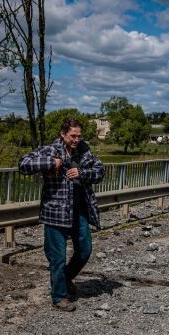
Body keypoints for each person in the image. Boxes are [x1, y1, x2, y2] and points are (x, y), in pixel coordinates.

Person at [19, 119, 105, 311]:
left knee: (85, 250)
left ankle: (65, 279)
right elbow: (23, 164)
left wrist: (82, 173)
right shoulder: (50, 150)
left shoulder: (83, 151)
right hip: (55, 212)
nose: (76, 139)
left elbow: (100, 171)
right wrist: (52, 162)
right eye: (73, 136)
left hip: (78, 211)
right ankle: (59, 297)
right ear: (63, 134)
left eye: (78, 136)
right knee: (57, 257)